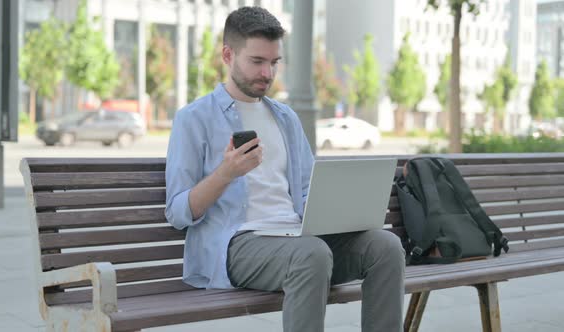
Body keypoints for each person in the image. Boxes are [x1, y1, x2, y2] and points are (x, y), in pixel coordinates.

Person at [165, 6, 405, 332]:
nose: (267, 73)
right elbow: (178, 212)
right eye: (257, 61)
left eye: (274, 62)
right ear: (227, 55)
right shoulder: (194, 118)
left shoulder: (286, 118)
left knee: (385, 246)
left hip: (297, 236)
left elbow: (306, 189)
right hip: (238, 245)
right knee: (310, 254)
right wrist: (226, 173)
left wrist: (339, 213)